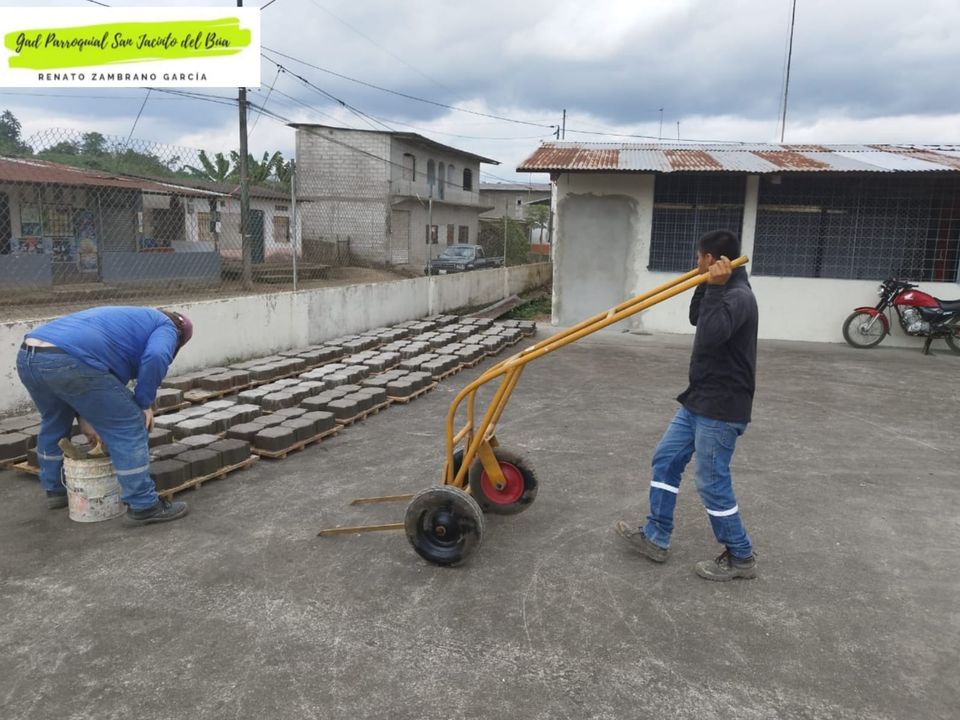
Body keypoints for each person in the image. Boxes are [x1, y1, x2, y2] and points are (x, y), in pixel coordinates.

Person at [615, 229, 759, 581]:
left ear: (711, 259)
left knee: (711, 482)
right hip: (699, 399)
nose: (696, 264)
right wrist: (705, 283)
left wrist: (714, 287)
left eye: (699, 259)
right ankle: (656, 536)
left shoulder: (738, 296)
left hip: (721, 407)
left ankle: (741, 556)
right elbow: (698, 317)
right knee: (665, 460)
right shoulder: (721, 288)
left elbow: (710, 335)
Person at [17, 306, 193, 526]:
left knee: (54, 421)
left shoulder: (131, 320)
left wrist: (85, 417)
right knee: (129, 424)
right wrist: (143, 403)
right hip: (69, 360)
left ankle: (56, 490)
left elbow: (95, 380)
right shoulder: (168, 328)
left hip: (29, 356)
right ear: (180, 337)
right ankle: (144, 505)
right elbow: (156, 357)